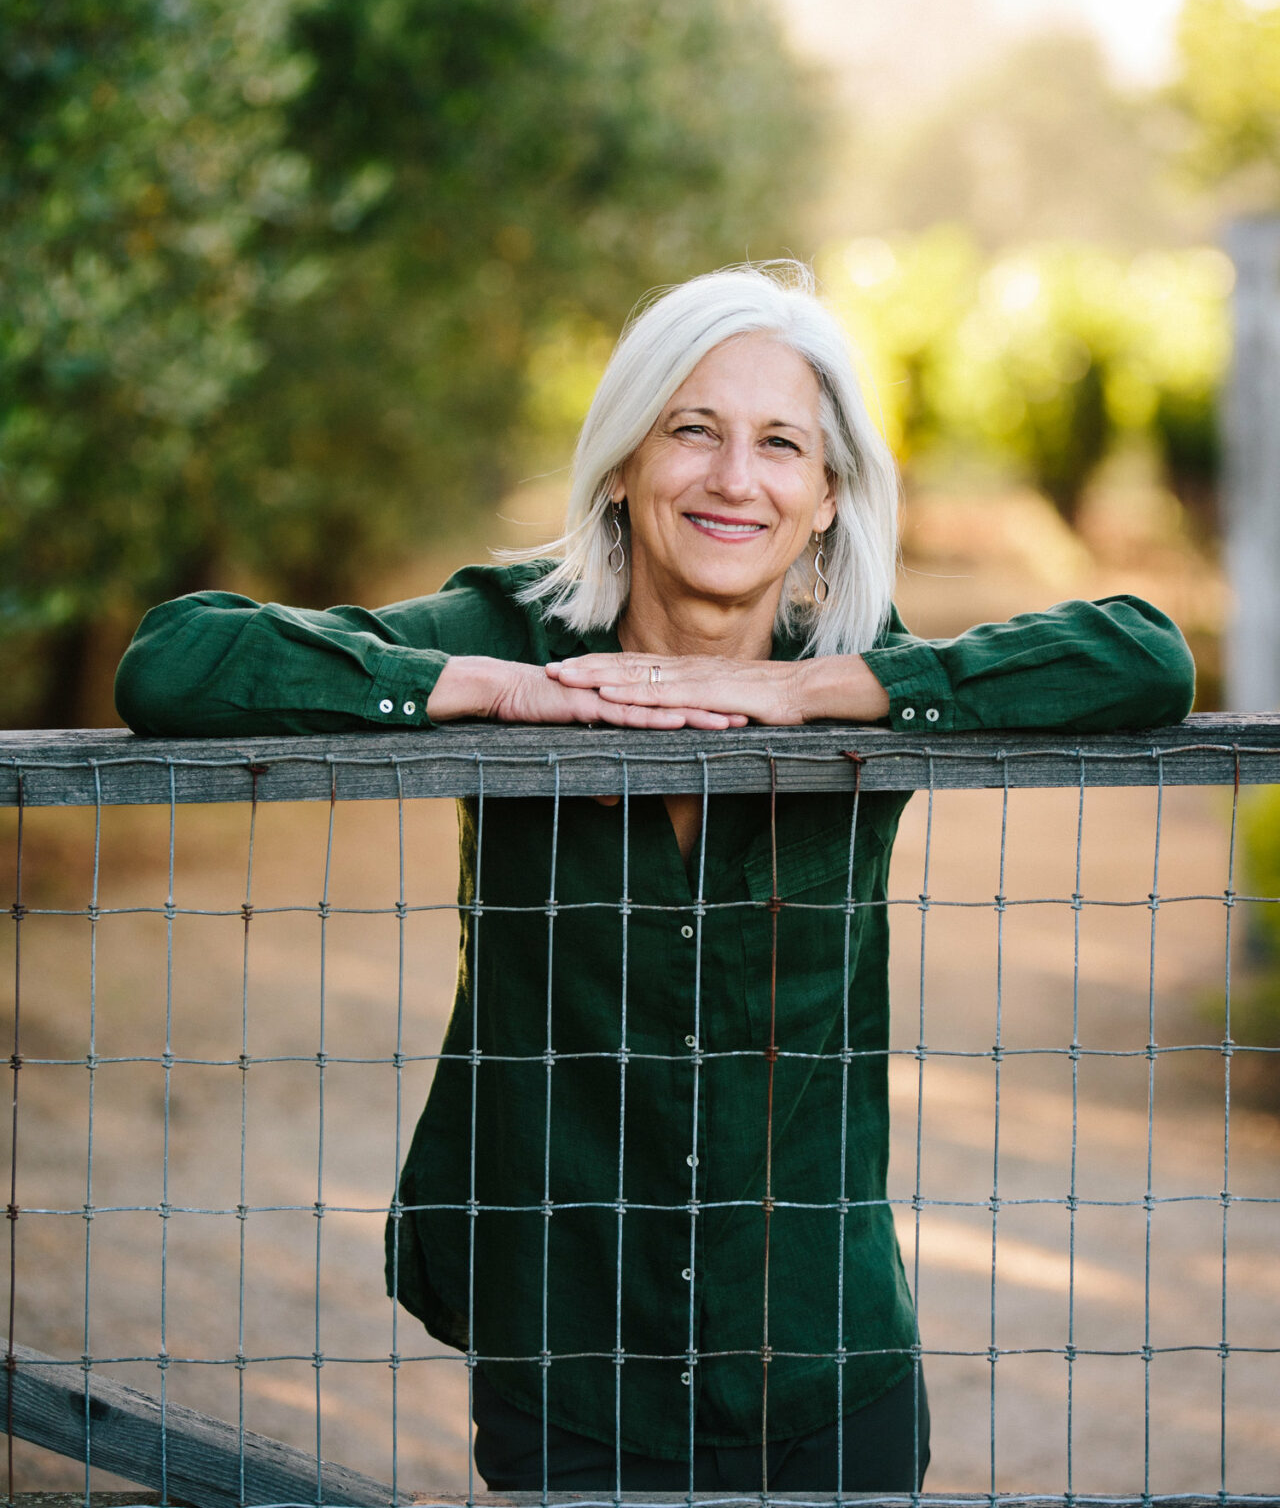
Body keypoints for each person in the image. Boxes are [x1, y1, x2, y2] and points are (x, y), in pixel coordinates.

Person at [115, 264, 1195, 1493]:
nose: (736, 479)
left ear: (828, 496)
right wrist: (494, 695)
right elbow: (174, 661)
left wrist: (812, 694)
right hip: (570, 1366)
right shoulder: (509, 636)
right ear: (624, 463)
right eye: (693, 430)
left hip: (824, 1362)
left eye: (781, 444)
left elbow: (1142, 655)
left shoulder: (857, 672)